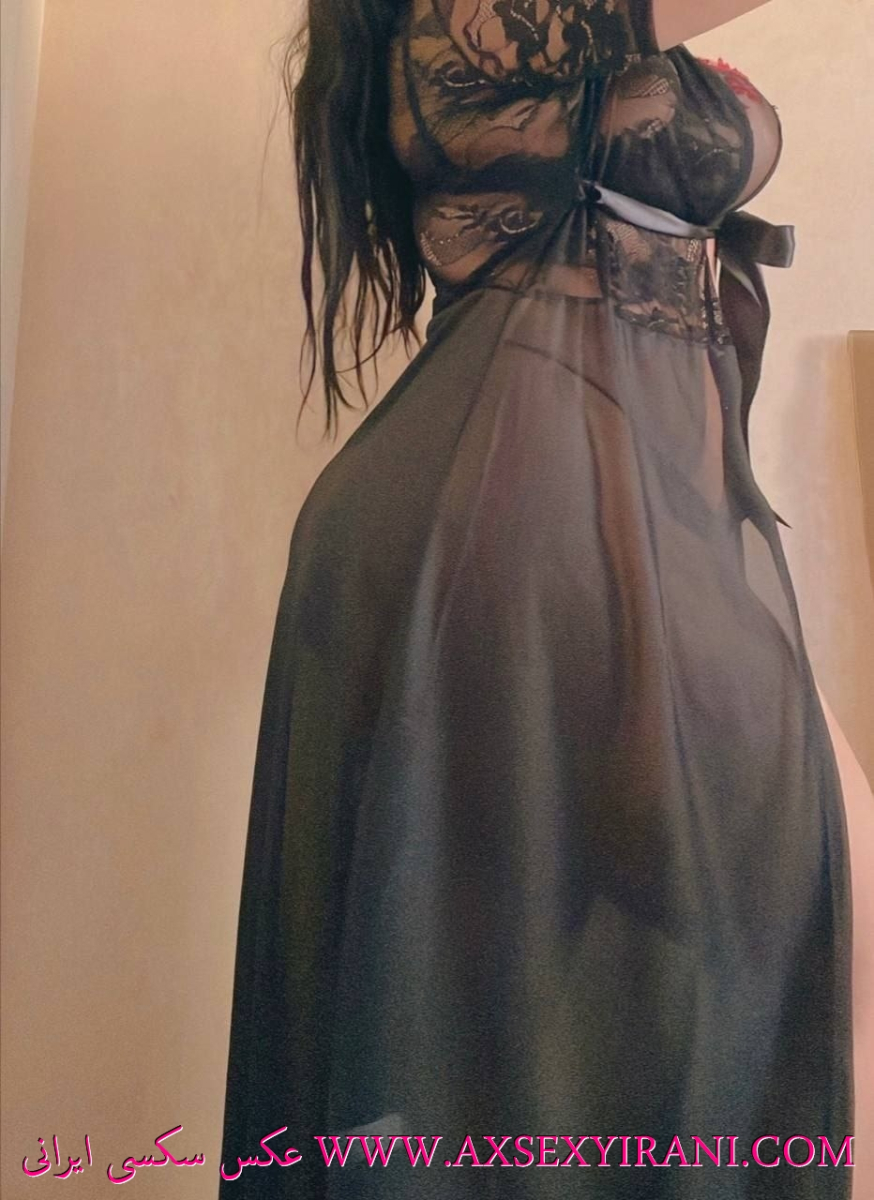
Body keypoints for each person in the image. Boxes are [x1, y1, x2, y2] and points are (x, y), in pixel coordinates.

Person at [217, 2, 860, 1196]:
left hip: (615, 513)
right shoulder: (479, 18)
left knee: (717, 978)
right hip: (519, 518)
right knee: (496, 1032)